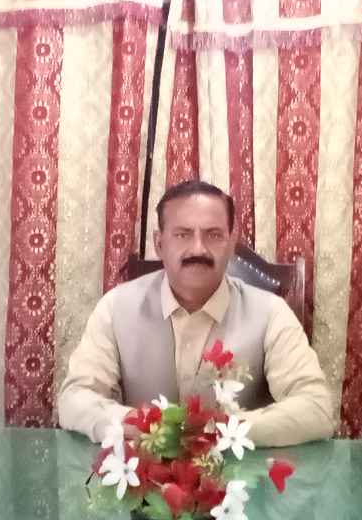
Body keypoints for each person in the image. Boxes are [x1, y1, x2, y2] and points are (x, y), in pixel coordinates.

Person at [58, 180, 337, 448]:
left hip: (241, 476)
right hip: (141, 474)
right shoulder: (116, 307)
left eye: (213, 235)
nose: (198, 249)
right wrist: (140, 424)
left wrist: (220, 430)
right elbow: (74, 399)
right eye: (183, 234)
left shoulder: (271, 312)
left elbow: (316, 408)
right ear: (160, 243)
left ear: (231, 242)